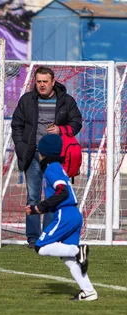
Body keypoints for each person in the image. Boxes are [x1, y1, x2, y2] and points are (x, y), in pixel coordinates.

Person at [11, 66, 82, 248]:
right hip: (33, 155)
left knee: (54, 196)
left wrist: (61, 130)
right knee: (33, 197)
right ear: (35, 82)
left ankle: (49, 236)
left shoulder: (66, 101)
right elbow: (16, 125)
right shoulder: (27, 100)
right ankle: (33, 238)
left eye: (45, 82)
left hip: (56, 158)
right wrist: (21, 147)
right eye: (39, 81)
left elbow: (77, 122)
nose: (42, 85)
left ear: (53, 82)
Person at [25, 134, 96, 301]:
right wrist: (37, 210)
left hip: (65, 214)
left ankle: (78, 250)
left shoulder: (52, 168)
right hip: (72, 214)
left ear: (43, 153)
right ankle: (89, 291)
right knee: (70, 260)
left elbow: (62, 192)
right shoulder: (57, 167)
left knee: (40, 247)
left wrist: (40, 206)